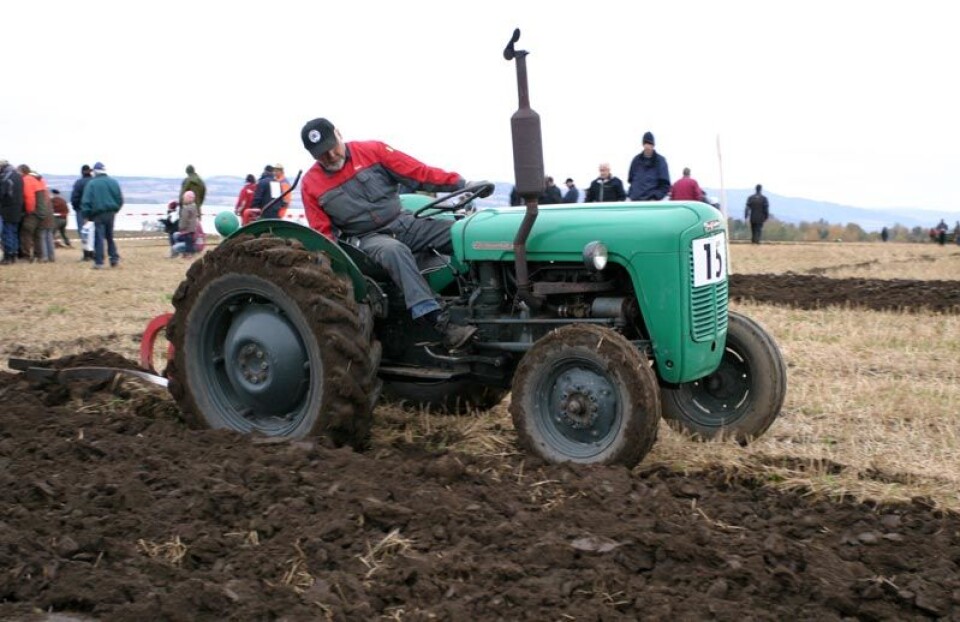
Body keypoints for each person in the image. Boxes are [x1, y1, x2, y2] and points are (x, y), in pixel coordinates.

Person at [299, 117, 479, 349]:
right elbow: (323, 235)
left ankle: (489, 295)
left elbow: (418, 173)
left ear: (339, 134)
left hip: (403, 223)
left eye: (332, 147)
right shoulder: (311, 184)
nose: (331, 156)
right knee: (394, 251)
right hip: (367, 239)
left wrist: (461, 183)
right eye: (322, 154)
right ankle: (439, 322)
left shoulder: (372, 151)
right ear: (312, 155)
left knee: (461, 234)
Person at [80, 161, 124, 269]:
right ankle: (114, 258)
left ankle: (99, 262)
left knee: (99, 238)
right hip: (111, 213)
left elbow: (86, 201)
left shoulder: (92, 184)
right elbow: (120, 199)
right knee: (110, 237)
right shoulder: (113, 182)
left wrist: (86, 215)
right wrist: (115, 209)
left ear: (95, 172)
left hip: (98, 214)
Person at [627, 131, 670, 201]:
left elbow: (665, 185)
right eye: (646, 143)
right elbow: (631, 181)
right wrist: (631, 195)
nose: (647, 146)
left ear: (653, 145)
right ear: (643, 144)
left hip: (652, 204)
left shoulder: (661, 161)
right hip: (635, 202)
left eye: (650, 143)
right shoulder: (635, 160)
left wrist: (655, 197)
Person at [0, 159, 25, 265]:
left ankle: (8, 256)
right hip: (17, 208)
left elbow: (2, 194)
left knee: (7, 232)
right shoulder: (18, 176)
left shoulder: (6, 177)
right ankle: (14, 254)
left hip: (7, 209)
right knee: (14, 232)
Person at [17, 165, 42, 261]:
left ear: (22, 171)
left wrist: (28, 211)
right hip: (40, 210)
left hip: (33, 211)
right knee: (37, 234)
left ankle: (26, 256)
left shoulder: (26, 180)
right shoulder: (35, 180)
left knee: (25, 232)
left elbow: (29, 197)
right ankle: (39, 255)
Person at [71, 164, 94, 260]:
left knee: (84, 233)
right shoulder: (95, 181)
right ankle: (95, 252)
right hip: (94, 211)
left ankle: (86, 254)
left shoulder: (79, 183)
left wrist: (76, 208)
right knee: (94, 232)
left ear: (82, 172)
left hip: (81, 210)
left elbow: (74, 198)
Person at [170, 190, 199, 258]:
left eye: (184, 198)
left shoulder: (186, 208)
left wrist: (180, 227)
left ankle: (178, 253)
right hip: (192, 234)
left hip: (186, 234)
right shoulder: (194, 207)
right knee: (176, 235)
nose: (183, 199)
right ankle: (185, 253)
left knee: (175, 237)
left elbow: (183, 222)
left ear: (188, 198)